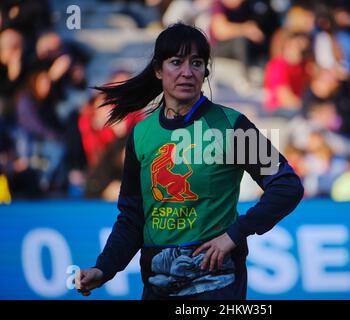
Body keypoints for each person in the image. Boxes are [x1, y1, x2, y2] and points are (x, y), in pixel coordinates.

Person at [76, 23, 303, 300]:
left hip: (217, 284)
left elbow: (287, 186)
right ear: (159, 70)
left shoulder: (231, 125)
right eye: (176, 62)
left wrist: (234, 234)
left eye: (196, 63)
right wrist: (104, 268)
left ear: (205, 71)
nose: (187, 72)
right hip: (159, 285)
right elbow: (132, 216)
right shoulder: (141, 134)